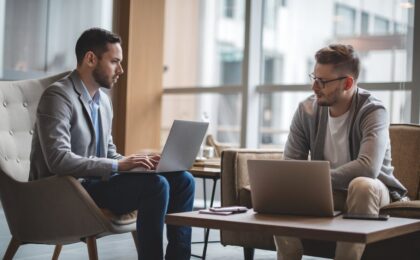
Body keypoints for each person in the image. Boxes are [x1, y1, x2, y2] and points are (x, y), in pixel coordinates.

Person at [29, 27, 195, 260]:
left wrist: (140, 164)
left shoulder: (103, 102)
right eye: (115, 61)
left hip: (98, 184)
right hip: (67, 191)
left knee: (183, 181)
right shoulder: (58, 96)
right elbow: (59, 160)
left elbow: (107, 153)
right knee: (155, 186)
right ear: (90, 59)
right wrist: (120, 166)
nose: (121, 70)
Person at [274, 44, 407, 260]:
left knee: (361, 184)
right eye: (314, 77)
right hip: (329, 192)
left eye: (322, 81)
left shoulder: (373, 110)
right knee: (281, 187)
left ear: (348, 83)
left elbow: (368, 167)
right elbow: (290, 164)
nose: (314, 87)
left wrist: (314, 179)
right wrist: (298, 180)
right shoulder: (307, 109)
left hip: (374, 193)